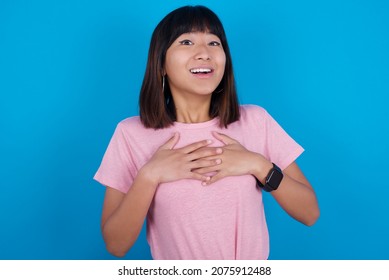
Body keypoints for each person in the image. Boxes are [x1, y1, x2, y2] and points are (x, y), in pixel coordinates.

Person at [94, 5, 319, 260]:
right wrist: (150, 175)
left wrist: (259, 165)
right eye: (187, 41)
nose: (204, 53)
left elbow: (310, 213)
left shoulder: (256, 121)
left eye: (214, 43)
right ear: (161, 64)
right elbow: (116, 244)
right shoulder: (130, 134)